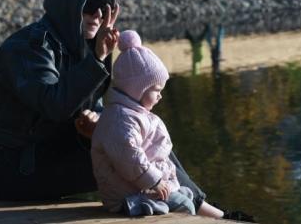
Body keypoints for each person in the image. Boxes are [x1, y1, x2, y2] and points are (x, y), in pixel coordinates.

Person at [0, 0, 121, 201]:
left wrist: (98, 124)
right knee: (126, 158)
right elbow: (55, 105)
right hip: (12, 166)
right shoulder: (29, 48)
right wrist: (97, 58)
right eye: (89, 8)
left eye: (103, 10)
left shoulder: (79, 46)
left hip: (48, 150)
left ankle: (182, 198)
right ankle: (178, 201)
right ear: (68, 5)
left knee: (140, 137)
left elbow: (90, 107)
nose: (97, 17)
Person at [92, 30, 218, 217]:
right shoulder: (120, 120)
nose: (160, 96)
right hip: (126, 194)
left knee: (186, 195)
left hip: (140, 185)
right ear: (136, 89)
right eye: (156, 90)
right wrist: (154, 181)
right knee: (185, 206)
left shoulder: (133, 114)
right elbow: (129, 157)